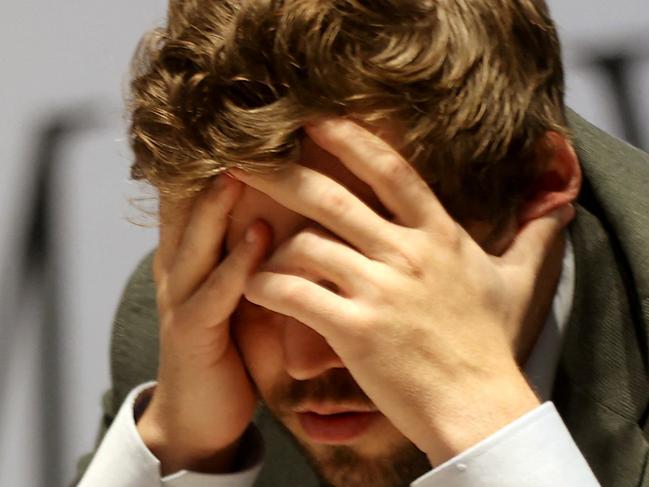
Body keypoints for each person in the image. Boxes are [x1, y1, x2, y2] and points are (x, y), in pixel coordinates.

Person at [75, 0, 649, 486]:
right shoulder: (192, 323)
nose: (305, 362)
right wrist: (183, 448)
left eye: (362, 261)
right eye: (259, 277)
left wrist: (487, 424)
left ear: (537, 184)